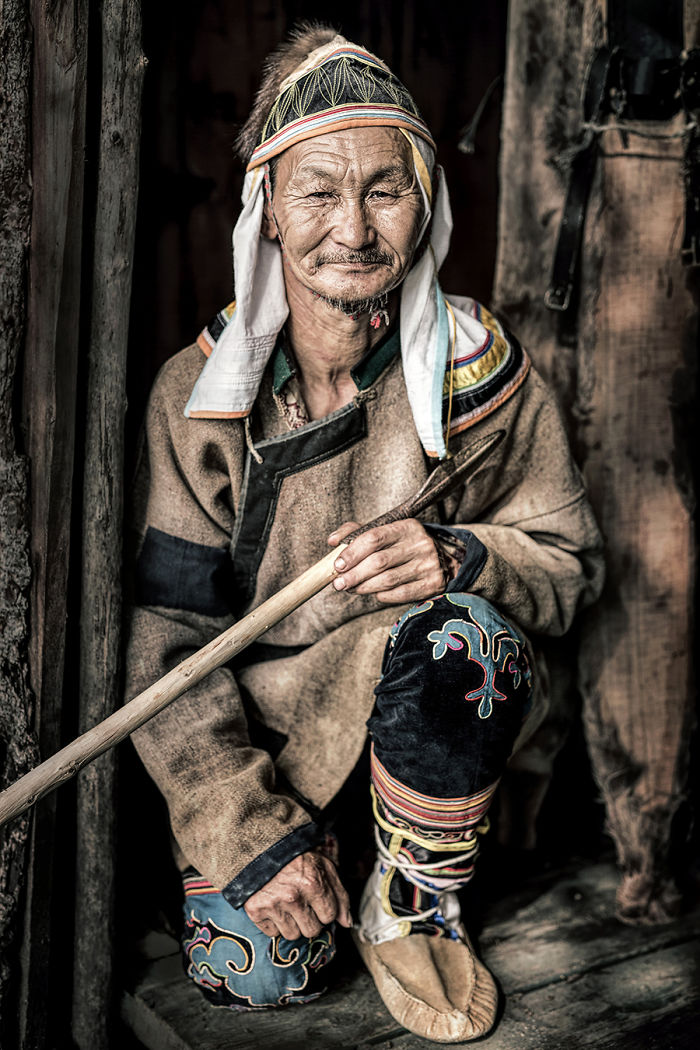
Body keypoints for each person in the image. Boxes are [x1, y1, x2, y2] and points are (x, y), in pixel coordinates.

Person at [125, 25, 604, 1043]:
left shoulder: (480, 377)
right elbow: (165, 644)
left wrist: (464, 555)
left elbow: (569, 569)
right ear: (266, 210)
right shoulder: (199, 401)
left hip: (425, 751)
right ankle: (303, 862)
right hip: (273, 748)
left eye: (383, 188)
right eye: (318, 191)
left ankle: (413, 896)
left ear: (421, 202)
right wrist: (252, 834)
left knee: (464, 632)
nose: (352, 227)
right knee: (258, 980)